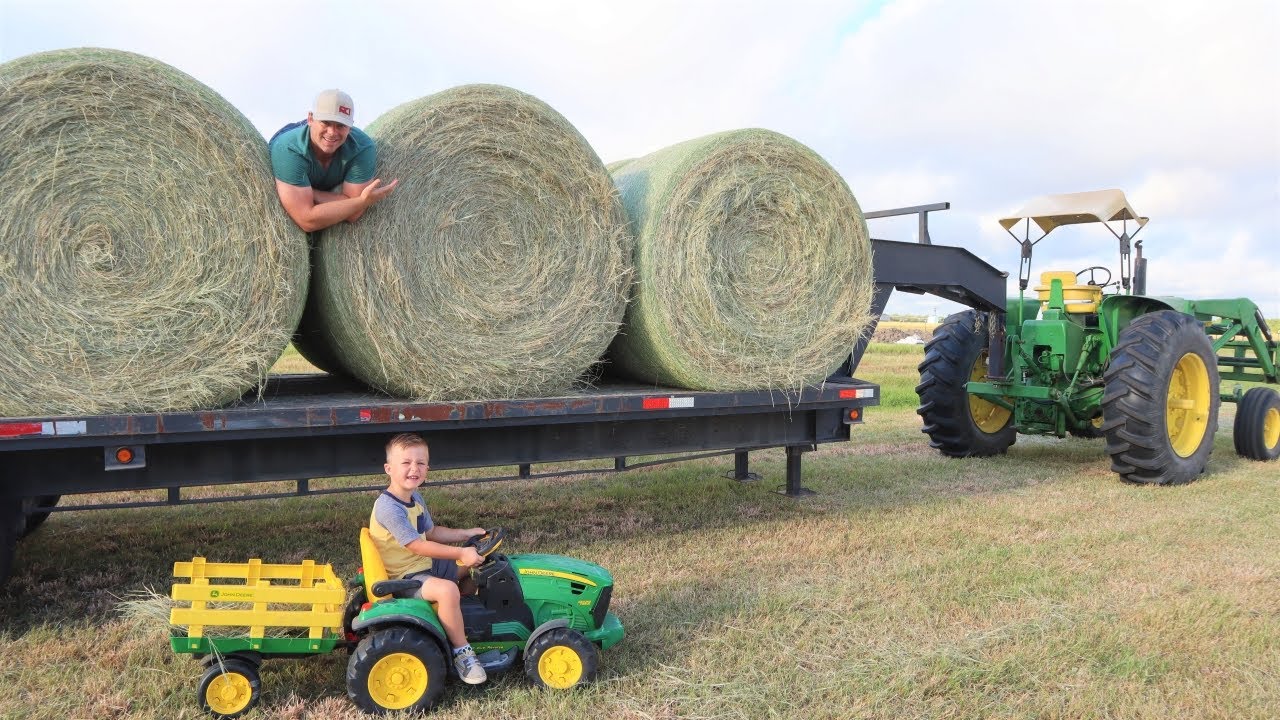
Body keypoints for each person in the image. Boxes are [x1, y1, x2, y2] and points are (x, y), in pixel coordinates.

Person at [368, 432, 489, 684]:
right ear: (389, 469)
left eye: (421, 463)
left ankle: (458, 619)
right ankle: (462, 651)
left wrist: (466, 534)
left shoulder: (414, 498)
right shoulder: (389, 508)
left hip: (423, 566)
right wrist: (460, 552)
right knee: (448, 590)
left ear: (427, 468)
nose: (414, 468)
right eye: (406, 462)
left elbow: (431, 532)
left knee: (476, 567)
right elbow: (418, 546)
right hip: (404, 578)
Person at [268, 89, 399, 233]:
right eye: (325, 122)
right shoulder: (288, 148)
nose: (332, 132)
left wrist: (312, 193)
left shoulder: (362, 147)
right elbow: (306, 220)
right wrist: (362, 201)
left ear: (350, 127)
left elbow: (353, 214)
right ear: (310, 119)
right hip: (294, 143)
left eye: (341, 125)